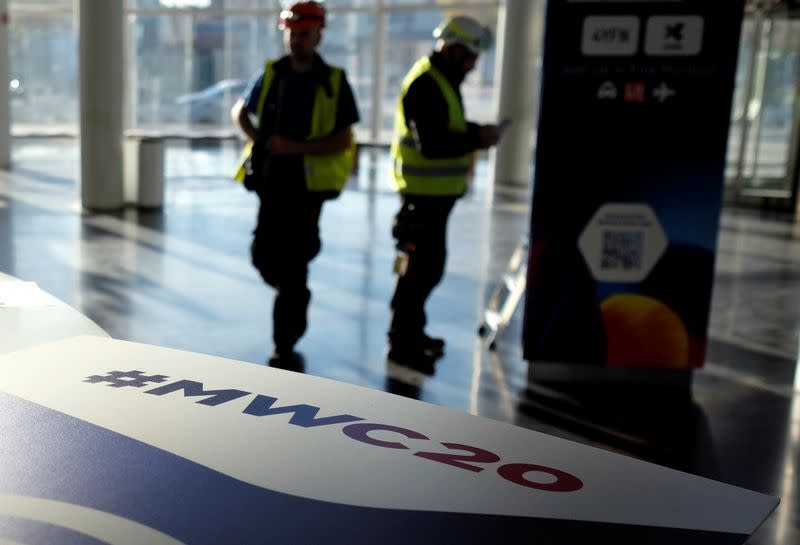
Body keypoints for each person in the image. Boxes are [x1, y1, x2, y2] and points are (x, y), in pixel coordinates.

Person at [231, 1, 359, 370]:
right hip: (271, 182)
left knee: (295, 261)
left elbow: (341, 141)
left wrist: (295, 148)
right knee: (264, 255)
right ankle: (294, 293)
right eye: (290, 33)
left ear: (319, 34)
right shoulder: (273, 73)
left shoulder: (334, 81)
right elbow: (240, 111)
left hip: (307, 187)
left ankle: (284, 342)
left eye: (302, 34)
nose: (295, 40)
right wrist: (258, 139)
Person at [387, 16, 499, 371]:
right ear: (452, 50)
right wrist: (476, 138)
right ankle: (402, 344)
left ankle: (413, 335)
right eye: (470, 56)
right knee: (418, 272)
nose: (473, 64)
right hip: (422, 197)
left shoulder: (440, 81)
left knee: (425, 270)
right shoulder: (426, 84)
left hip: (433, 198)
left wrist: (475, 132)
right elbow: (432, 143)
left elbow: (444, 127)